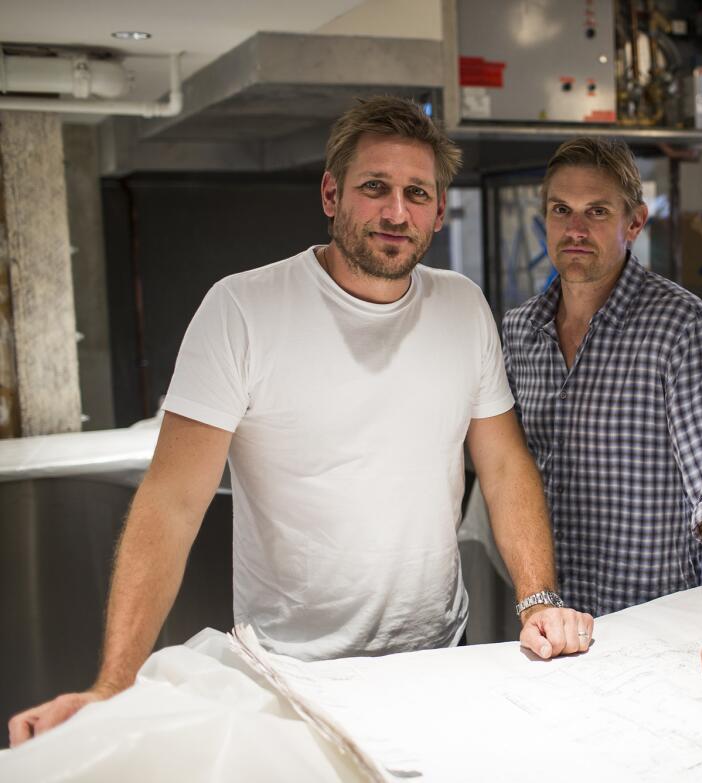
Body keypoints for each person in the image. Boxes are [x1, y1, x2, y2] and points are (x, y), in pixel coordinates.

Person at [9, 97, 592, 747]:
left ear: (435, 211)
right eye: (375, 187)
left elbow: (505, 462)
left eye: (416, 192)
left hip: (437, 652)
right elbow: (171, 503)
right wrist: (114, 685)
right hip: (290, 674)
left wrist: (537, 598)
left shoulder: (462, 306)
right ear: (331, 192)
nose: (396, 211)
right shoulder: (242, 309)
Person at [502, 137, 702, 700]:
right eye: (560, 210)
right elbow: (509, 472)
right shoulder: (519, 331)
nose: (575, 229)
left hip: (653, 620)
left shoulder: (679, 326)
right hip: (553, 626)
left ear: (634, 222)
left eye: (597, 211)